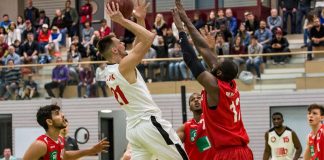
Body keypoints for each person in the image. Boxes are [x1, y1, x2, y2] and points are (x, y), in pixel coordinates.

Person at [99, 1, 188, 159]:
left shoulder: (111, 71)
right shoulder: (123, 67)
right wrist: (122, 20)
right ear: (114, 49)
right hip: (148, 123)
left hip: (133, 130)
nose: (123, 42)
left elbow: (140, 42)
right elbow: (148, 38)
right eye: (119, 43)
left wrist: (140, 19)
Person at [173, 0, 253, 159]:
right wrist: (186, 18)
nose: (216, 62)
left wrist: (181, 31)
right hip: (242, 151)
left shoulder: (215, 87)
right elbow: (203, 49)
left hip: (228, 153)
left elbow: (191, 60)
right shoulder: (230, 84)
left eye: (219, 65)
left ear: (220, 74)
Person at [23, 104, 109, 160]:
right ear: (49, 121)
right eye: (57, 113)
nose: (63, 115)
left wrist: (90, 150)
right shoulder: (40, 145)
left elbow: (65, 156)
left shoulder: (60, 140)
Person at [177, 93, 213, 160]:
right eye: (192, 99)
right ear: (190, 108)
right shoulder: (185, 127)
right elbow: (173, 146)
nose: (196, 100)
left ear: (205, 102)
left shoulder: (213, 122)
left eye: (199, 98)